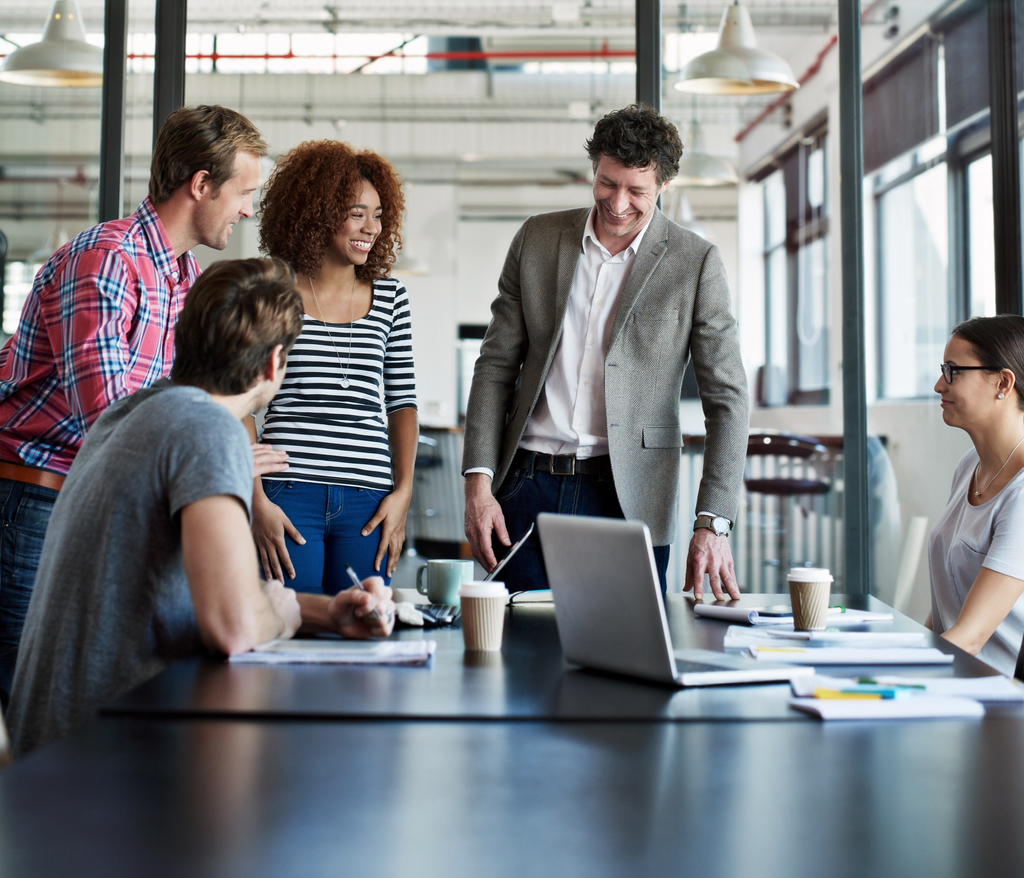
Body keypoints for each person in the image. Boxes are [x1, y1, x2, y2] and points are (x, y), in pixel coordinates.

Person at [7, 258, 395, 757]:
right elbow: (233, 625)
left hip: (50, 758)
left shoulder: (133, 413)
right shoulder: (208, 431)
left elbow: (210, 592)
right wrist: (283, 617)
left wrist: (326, 612)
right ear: (275, 363)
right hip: (101, 768)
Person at [0, 104, 274, 705]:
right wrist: (203, 456)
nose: (249, 209)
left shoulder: (179, 277)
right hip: (35, 501)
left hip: (90, 498)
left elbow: (172, 407)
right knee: (35, 700)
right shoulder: (107, 260)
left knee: (91, 695)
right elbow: (108, 422)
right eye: (244, 192)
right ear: (201, 185)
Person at [462, 104, 748, 599]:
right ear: (594, 170)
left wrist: (714, 521)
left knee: (623, 665)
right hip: (525, 487)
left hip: (629, 498)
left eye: (636, 190)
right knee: (509, 662)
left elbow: (728, 399)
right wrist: (478, 482)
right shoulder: (537, 239)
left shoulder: (695, 263)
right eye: (607, 183)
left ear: (663, 185)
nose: (617, 203)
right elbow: (495, 367)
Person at [252, 139, 418, 594]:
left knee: (365, 632)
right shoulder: (272, 289)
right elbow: (241, 401)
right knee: (285, 627)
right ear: (318, 213)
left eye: (379, 214)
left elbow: (402, 402)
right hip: (287, 494)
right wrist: (255, 498)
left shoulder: (391, 298)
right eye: (356, 212)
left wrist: (402, 494)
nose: (372, 227)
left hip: (369, 501)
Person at [928, 315, 1024, 675]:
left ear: (1003, 382)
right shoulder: (970, 466)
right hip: (954, 679)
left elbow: (970, 637)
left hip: (998, 705)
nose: (940, 385)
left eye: (953, 371)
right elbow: (946, 617)